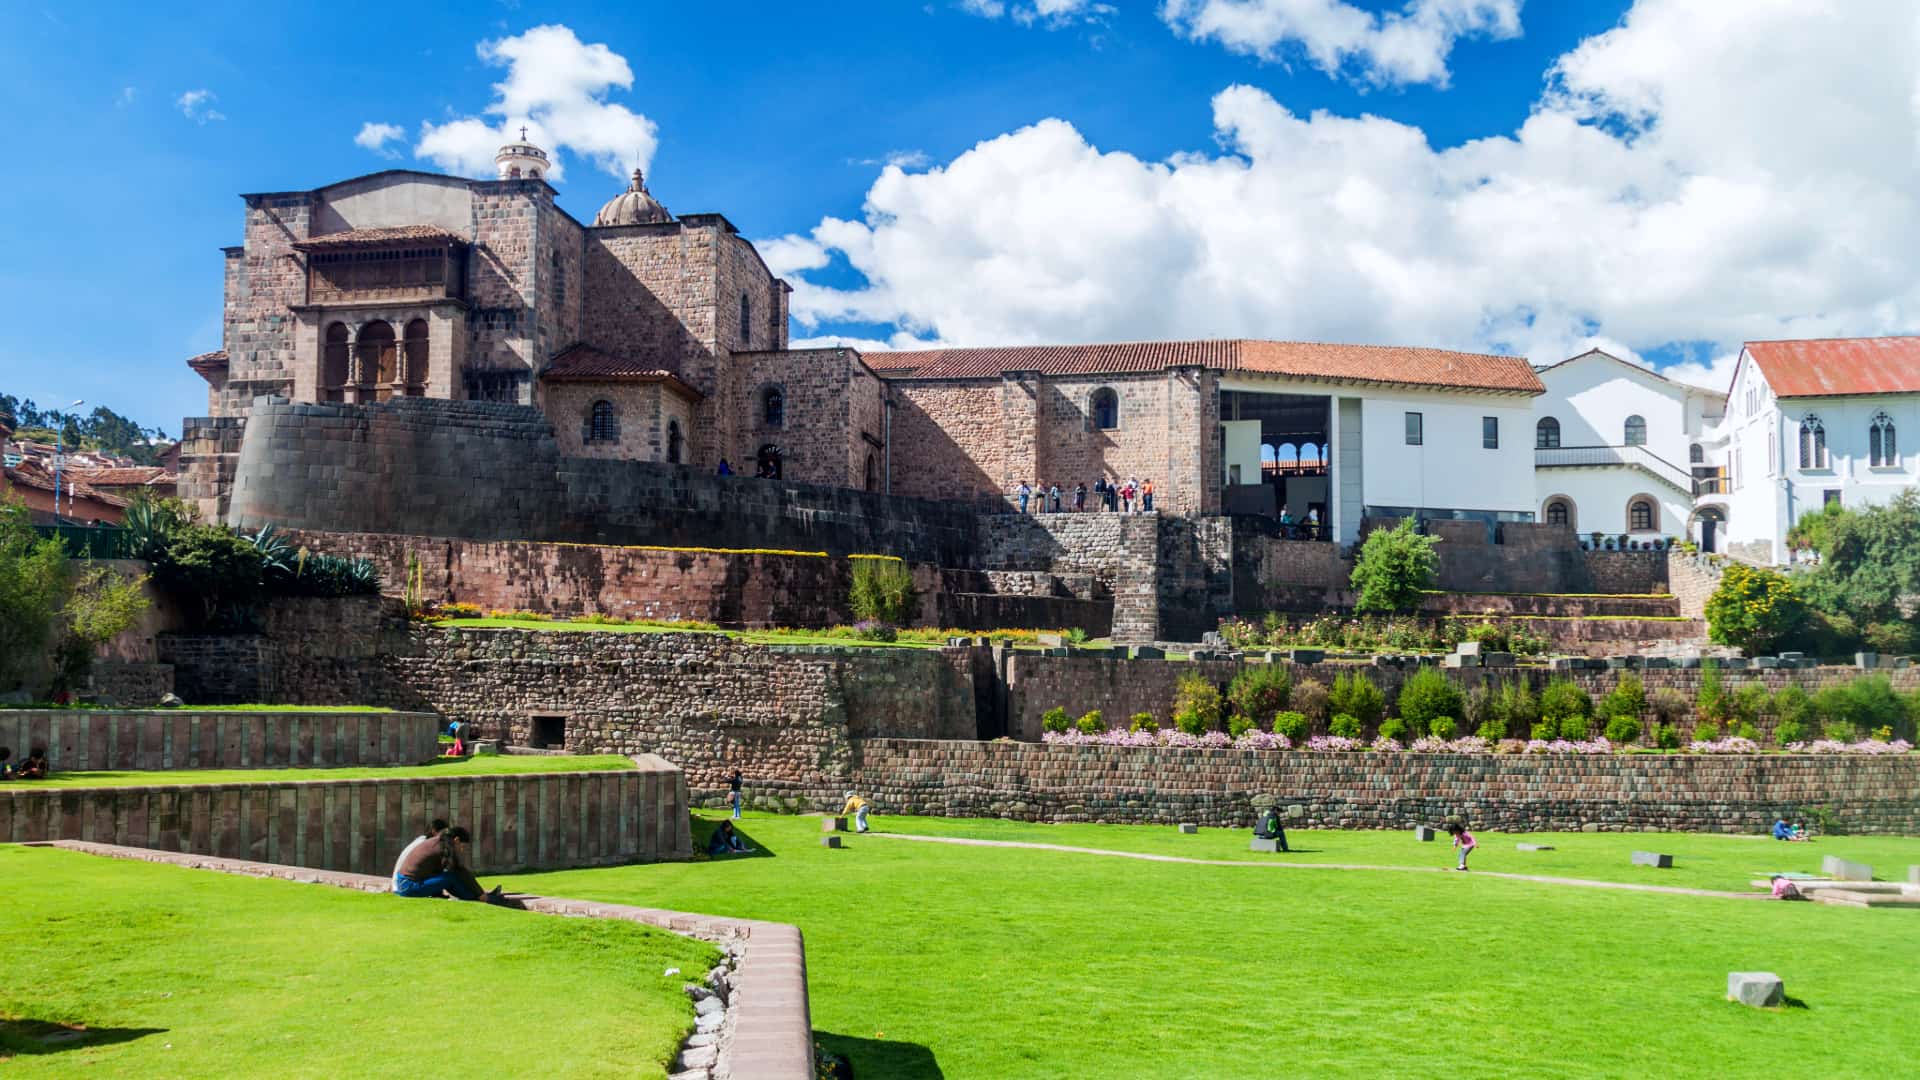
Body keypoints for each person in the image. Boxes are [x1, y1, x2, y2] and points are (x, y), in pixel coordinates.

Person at [393, 825, 504, 903]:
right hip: (408, 887)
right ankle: (480, 898)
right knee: (451, 877)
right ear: (456, 840)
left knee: (449, 877)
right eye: (462, 846)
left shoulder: (438, 843)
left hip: (404, 884)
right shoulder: (442, 848)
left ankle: (478, 897)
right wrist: (480, 893)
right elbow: (461, 872)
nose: (462, 849)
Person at [392, 818, 450, 882]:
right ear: (434, 831)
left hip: (401, 880)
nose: (446, 836)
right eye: (444, 833)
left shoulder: (422, 841)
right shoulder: (426, 844)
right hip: (405, 882)